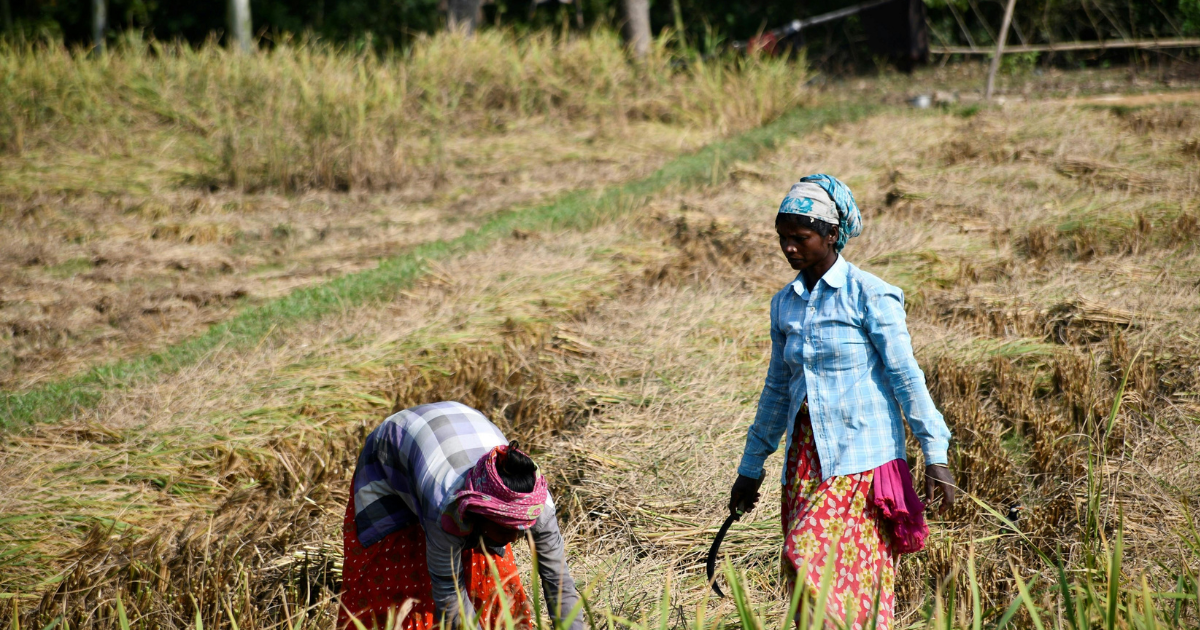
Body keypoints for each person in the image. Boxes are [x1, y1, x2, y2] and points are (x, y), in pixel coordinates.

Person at [727, 175, 957, 630]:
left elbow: (906, 376)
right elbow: (776, 391)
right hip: (805, 462)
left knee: (809, 555)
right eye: (783, 239)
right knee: (808, 585)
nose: (790, 248)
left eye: (801, 237)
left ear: (832, 235)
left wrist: (936, 453)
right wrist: (749, 469)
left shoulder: (869, 294)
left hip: (861, 459)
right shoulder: (785, 305)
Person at [340, 401, 585, 630]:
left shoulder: (537, 506)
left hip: (456, 433)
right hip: (392, 453)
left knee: (490, 575)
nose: (515, 536)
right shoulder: (445, 506)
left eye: (522, 528)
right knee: (400, 576)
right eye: (506, 528)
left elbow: (558, 581)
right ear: (478, 513)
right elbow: (450, 597)